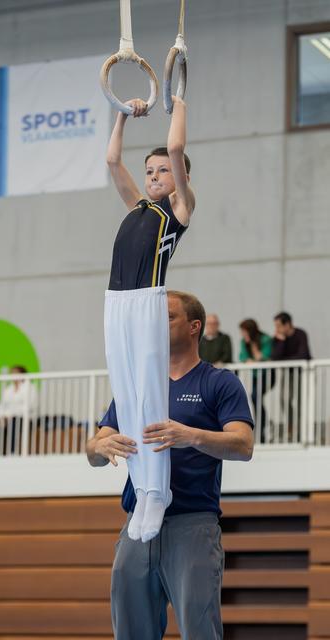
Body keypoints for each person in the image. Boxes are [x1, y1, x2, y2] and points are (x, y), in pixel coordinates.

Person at [87, 291, 254, 640]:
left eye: (166, 317)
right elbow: (93, 452)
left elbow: (243, 445)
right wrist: (101, 445)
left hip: (192, 526)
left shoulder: (219, 382)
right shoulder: (136, 385)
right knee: (130, 631)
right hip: (137, 526)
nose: (154, 326)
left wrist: (190, 435)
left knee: (199, 631)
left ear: (195, 327)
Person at [104, 95, 195, 543]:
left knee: (149, 398)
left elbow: (176, 149)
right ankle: (142, 490)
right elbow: (111, 158)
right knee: (126, 391)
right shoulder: (138, 207)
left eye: (162, 171)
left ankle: (159, 490)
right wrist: (121, 111)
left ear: (178, 179)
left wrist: (178, 103)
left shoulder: (179, 210)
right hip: (114, 303)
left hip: (147, 302)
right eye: (151, 172)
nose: (156, 177)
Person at [271, 312, 311, 438]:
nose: (276, 329)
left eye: (278, 325)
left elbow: (303, 355)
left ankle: (300, 428)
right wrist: (282, 341)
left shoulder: (300, 334)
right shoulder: (278, 338)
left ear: (287, 324)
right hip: (288, 373)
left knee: (300, 401)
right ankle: (291, 425)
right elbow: (275, 358)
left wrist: (286, 360)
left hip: (302, 373)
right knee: (284, 399)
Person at [239, 318, 273, 442]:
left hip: (267, 374)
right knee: (255, 399)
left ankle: (262, 428)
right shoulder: (244, 341)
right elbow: (243, 357)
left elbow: (264, 356)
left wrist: (254, 347)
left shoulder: (265, 339)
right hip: (255, 376)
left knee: (255, 397)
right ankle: (260, 428)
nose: (242, 334)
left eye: (244, 331)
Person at [0, 365, 38, 454]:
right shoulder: (8, 389)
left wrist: (10, 415)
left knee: (14, 423)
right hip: (7, 418)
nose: (13, 375)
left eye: (16, 373)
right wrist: (1, 416)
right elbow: (1, 405)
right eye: (12, 373)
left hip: (24, 418)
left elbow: (30, 406)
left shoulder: (30, 387)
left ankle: (12, 452)